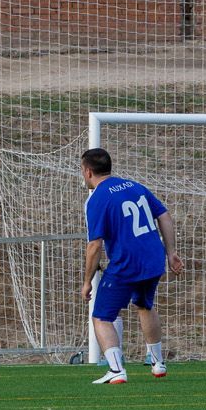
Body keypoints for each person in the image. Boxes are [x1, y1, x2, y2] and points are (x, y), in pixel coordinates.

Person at [78, 148, 183, 385]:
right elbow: (164, 215)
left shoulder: (97, 198)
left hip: (126, 263)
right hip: (153, 259)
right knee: (144, 305)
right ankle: (158, 363)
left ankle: (116, 369)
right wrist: (171, 253)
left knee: (101, 317)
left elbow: (94, 245)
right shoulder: (135, 186)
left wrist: (86, 282)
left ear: (88, 171)